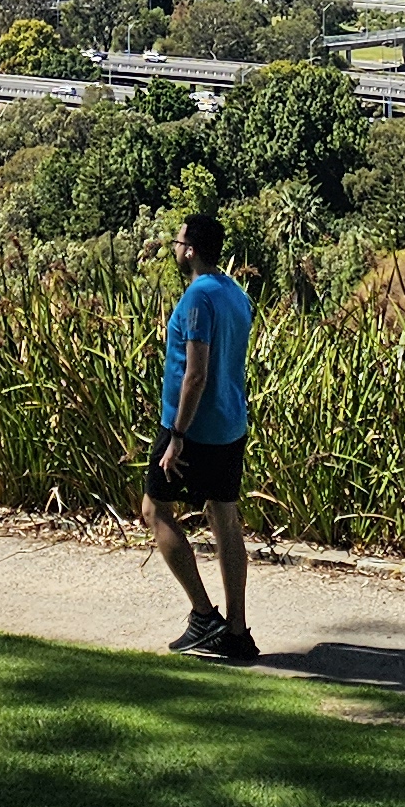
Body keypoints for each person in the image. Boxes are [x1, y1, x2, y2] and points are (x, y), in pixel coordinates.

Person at [143, 211, 258, 662]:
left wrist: (177, 436)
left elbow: (195, 376)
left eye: (177, 241)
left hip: (194, 429)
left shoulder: (196, 299)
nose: (175, 247)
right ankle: (236, 632)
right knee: (225, 519)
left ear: (189, 249)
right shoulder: (235, 293)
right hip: (231, 424)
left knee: (155, 509)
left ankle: (203, 617)